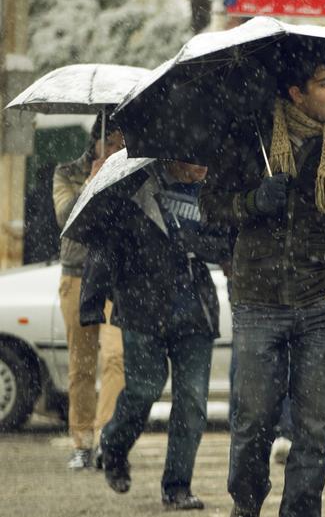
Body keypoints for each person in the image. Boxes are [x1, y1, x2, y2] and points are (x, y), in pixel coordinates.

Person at [199, 51, 325, 517]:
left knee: (316, 430)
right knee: (252, 423)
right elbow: (212, 206)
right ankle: (246, 504)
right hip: (259, 303)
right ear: (296, 93)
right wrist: (252, 202)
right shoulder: (250, 137)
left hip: (323, 304)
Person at [81, 159, 231, 510]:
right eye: (192, 160)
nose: (201, 167)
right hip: (141, 310)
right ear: (171, 157)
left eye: (204, 158)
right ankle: (114, 447)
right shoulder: (134, 191)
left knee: (192, 403)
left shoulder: (215, 194)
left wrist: (201, 244)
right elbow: (104, 248)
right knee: (144, 390)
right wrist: (91, 302)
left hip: (195, 313)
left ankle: (177, 487)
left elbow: (227, 243)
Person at [52, 114, 125, 470]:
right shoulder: (67, 172)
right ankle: (81, 440)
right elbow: (65, 216)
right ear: (95, 142)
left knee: (115, 358)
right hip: (78, 275)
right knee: (81, 365)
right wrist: (92, 182)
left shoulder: (128, 172)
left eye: (121, 144)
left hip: (114, 276)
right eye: (110, 143)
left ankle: (107, 440)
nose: (115, 150)